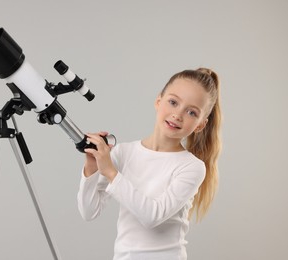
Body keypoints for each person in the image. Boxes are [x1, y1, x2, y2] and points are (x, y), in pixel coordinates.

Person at [77, 68, 221, 260]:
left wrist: (111, 172)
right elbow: (89, 211)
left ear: (201, 124)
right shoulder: (124, 153)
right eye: (173, 102)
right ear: (158, 101)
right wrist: (92, 168)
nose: (178, 114)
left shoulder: (192, 167)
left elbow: (152, 216)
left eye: (191, 112)